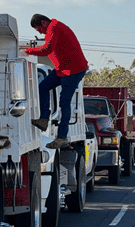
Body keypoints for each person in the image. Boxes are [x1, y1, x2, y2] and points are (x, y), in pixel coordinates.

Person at [24, 14, 88, 149]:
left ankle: (62, 138)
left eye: (39, 29)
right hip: (62, 69)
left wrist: (28, 51)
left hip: (73, 70)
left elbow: (47, 49)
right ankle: (44, 119)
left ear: (43, 22)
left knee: (64, 102)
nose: (40, 32)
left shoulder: (54, 27)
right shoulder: (52, 29)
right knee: (43, 87)